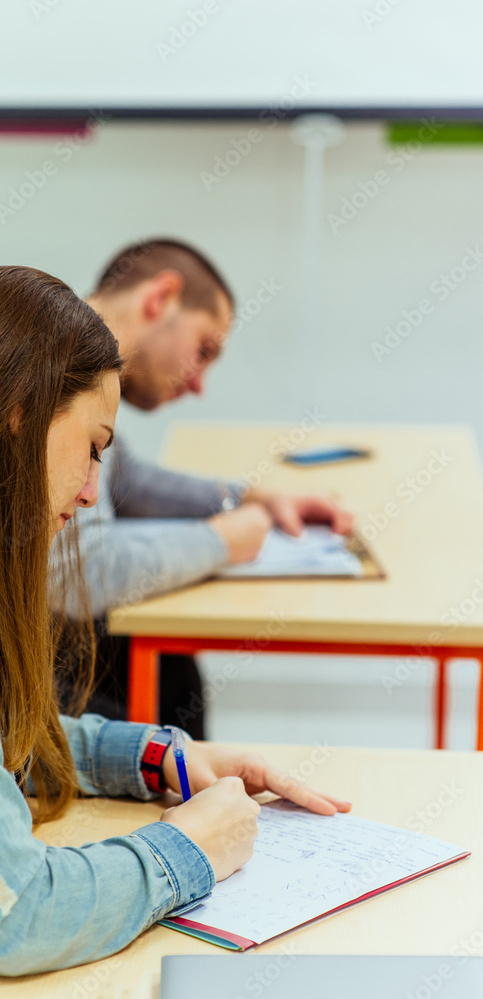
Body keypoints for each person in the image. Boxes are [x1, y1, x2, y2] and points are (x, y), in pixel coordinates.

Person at [0, 265, 351, 999]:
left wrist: (160, 757)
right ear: (18, 412)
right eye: (93, 446)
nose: (94, 488)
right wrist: (190, 845)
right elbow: (13, 917)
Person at [54, 239, 354, 738]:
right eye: (204, 349)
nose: (198, 385)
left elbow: (124, 477)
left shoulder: (78, 357)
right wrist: (222, 541)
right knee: (155, 695)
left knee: (171, 670)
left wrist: (247, 499)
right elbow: (82, 571)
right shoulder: (58, 373)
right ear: (161, 298)